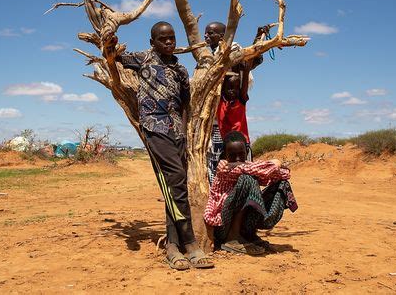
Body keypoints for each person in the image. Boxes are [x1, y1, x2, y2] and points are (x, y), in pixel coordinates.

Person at [103, 22, 213, 271]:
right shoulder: (143, 59)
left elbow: (186, 103)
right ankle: (190, 242)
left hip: (176, 131)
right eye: (163, 39)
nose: (169, 43)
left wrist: (184, 131)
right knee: (175, 179)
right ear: (152, 42)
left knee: (175, 186)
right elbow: (115, 55)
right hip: (155, 128)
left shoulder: (180, 69)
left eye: (172, 38)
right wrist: (110, 39)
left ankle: (173, 247)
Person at [204, 131, 297, 255]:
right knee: (247, 179)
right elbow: (247, 169)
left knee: (282, 184)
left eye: (241, 154)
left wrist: (273, 167)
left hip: (241, 220)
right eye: (232, 155)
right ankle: (232, 238)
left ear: (246, 153)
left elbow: (284, 174)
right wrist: (275, 163)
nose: (237, 159)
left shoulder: (249, 166)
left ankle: (249, 235)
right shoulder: (223, 167)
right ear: (225, 155)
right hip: (223, 225)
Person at [204, 22, 267, 183]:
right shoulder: (205, 57)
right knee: (217, 164)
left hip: (233, 132)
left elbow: (250, 60)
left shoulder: (233, 53)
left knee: (240, 164)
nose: (206, 36)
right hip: (214, 124)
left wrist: (259, 38)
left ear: (222, 37)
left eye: (211, 33)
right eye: (206, 33)